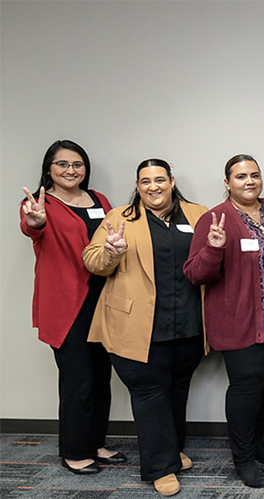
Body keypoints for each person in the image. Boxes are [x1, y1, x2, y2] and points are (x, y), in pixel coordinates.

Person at [82, 158, 208, 497]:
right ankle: (159, 467)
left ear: (171, 181)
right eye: (145, 181)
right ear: (137, 186)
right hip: (136, 326)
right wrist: (111, 252)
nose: (153, 186)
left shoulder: (198, 215)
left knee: (177, 391)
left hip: (188, 324)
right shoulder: (119, 218)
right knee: (150, 395)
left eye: (159, 179)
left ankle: (171, 451)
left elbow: (210, 260)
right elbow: (92, 261)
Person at [182, 155, 264, 488]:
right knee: (245, 388)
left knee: (260, 382)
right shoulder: (216, 218)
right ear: (227, 183)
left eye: (254, 175)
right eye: (241, 176)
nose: (249, 181)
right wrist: (213, 249)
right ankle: (242, 458)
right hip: (238, 321)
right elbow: (195, 274)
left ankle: (256, 444)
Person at [19, 140, 125, 475]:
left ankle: (95, 443)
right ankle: (74, 451)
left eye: (77, 164)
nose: (70, 170)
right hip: (66, 303)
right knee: (77, 381)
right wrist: (35, 220)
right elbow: (32, 229)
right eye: (62, 164)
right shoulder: (39, 203)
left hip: (103, 299)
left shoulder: (100, 201)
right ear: (48, 168)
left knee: (100, 377)